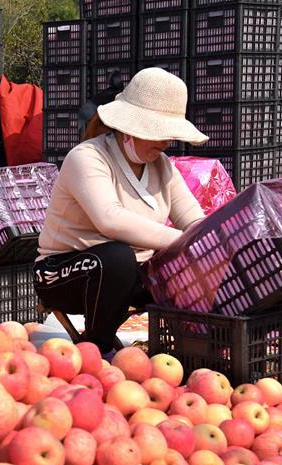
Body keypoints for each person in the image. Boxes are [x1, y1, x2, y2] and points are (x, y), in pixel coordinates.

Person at [33, 68, 209, 355]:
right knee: (117, 257)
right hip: (64, 274)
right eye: (158, 132)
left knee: (187, 263)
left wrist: (210, 241)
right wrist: (182, 241)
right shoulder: (87, 157)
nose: (166, 142)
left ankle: (197, 348)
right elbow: (109, 219)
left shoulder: (162, 166)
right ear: (130, 128)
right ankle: (96, 348)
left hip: (132, 273)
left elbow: (193, 220)